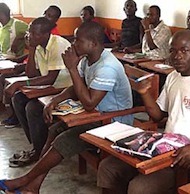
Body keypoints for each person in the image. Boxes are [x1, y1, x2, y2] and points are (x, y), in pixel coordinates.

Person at [0, 21, 133, 194]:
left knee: (64, 139)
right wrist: (55, 100)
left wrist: (72, 69)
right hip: (97, 115)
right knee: (55, 129)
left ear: (92, 44)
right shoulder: (88, 59)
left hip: (114, 121)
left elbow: (89, 103)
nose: (73, 44)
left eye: (78, 40)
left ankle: (25, 180)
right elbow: (77, 88)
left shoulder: (107, 67)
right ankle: (33, 186)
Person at [97, 29, 190, 194]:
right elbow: (158, 115)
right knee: (108, 167)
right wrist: (144, 94)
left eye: (184, 50)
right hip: (162, 148)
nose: (177, 56)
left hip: (189, 157)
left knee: (139, 188)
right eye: (173, 51)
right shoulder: (173, 77)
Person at [5, 17, 72, 167]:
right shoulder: (39, 46)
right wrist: (32, 49)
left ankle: (39, 150)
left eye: (34, 33)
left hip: (64, 90)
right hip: (49, 88)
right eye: (29, 32)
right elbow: (31, 74)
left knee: (33, 108)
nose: (29, 36)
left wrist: (19, 83)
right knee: (18, 99)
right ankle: (37, 146)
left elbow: (50, 78)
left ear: (45, 34)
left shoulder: (58, 45)